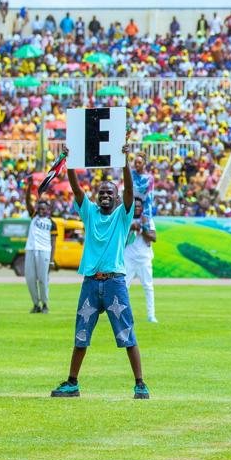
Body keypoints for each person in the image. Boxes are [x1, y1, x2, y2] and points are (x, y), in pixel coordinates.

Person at [50, 144, 149, 400]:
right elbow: (76, 188)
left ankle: (140, 384)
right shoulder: (90, 212)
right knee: (81, 334)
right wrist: (70, 162)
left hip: (115, 283)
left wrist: (125, 161)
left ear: (117, 199)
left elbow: (129, 191)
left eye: (110, 193)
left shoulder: (122, 216)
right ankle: (72, 383)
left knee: (127, 334)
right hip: (91, 283)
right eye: (102, 192)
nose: (105, 195)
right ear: (96, 197)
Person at [24, 180, 57, 314]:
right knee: (30, 279)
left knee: (43, 280)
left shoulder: (52, 223)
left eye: (44, 209)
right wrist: (29, 187)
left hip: (44, 251)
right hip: (31, 249)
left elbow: (53, 242)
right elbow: (27, 201)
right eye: (40, 208)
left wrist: (52, 260)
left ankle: (45, 304)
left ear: (48, 210)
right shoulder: (34, 215)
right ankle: (35, 304)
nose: (41, 211)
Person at [125, 197, 157, 323]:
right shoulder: (126, 219)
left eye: (139, 206)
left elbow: (153, 238)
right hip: (128, 258)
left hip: (144, 259)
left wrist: (141, 229)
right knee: (124, 287)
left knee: (148, 287)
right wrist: (131, 227)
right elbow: (120, 236)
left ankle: (151, 315)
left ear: (143, 207)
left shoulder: (147, 220)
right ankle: (124, 315)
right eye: (135, 206)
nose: (137, 208)